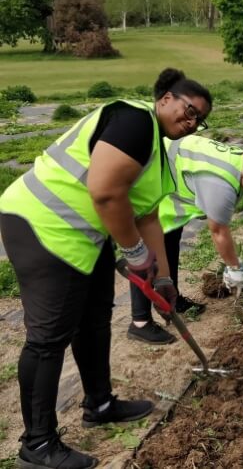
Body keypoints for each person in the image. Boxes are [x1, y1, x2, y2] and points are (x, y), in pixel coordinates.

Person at [0, 68, 212, 469]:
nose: (192, 122)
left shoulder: (153, 150)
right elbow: (105, 190)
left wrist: (164, 278)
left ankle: (99, 402)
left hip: (82, 237)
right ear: (165, 97)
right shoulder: (134, 120)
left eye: (200, 120)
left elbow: (149, 217)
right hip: (44, 225)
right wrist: (134, 254)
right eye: (189, 110)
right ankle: (38, 446)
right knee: (48, 339)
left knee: (95, 318)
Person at [129, 134, 243, 343]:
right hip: (147, 168)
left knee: (169, 240)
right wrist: (234, 268)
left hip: (170, 178)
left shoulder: (238, 161)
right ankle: (140, 322)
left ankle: (170, 296)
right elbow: (218, 231)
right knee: (145, 249)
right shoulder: (222, 183)